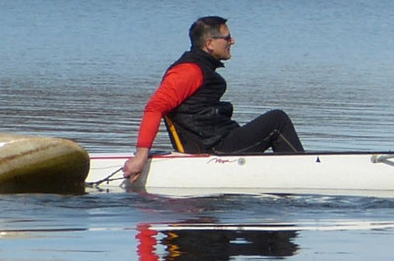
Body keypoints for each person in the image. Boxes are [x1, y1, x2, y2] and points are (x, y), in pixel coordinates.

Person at [126, 16, 303, 182]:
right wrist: (141, 156)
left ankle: (292, 170)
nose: (232, 42)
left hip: (216, 142)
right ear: (209, 43)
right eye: (227, 38)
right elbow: (154, 108)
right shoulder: (188, 71)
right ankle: (304, 171)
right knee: (277, 120)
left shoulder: (200, 67)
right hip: (214, 149)